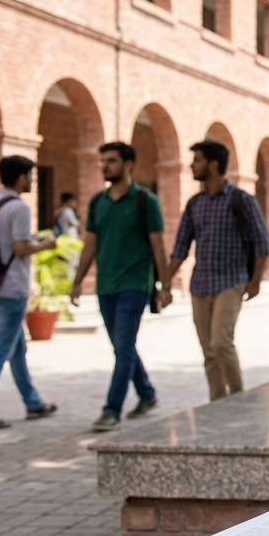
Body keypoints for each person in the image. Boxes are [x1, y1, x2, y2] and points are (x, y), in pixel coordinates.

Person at [70, 142, 171, 432]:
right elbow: (90, 244)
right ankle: (147, 394)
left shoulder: (145, 201)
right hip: (106, 285)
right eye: (103, 161)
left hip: (135, 284)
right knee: (121, 345)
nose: (105, 166)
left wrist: (165, 286)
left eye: (111, 161)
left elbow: (158, 245)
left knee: (123, 345)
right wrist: (78, 281)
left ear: (128, 164)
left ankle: (111, 408)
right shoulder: (97, 202)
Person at [165, 140, 269, 401]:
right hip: (200, 284)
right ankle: (217, 401)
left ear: (213, 165)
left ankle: (237, 398)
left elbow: (262, 243)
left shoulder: (241, 200)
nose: (192, 165)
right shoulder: (194, 204)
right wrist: (164, 283)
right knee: (208, 350)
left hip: (231, 281)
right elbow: (180, 247)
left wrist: (255, 280)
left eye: (197, 160)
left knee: (221, 343)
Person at [0, 156, 60, 430]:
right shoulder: (18, 207)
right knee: (1, 349)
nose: (32, 181)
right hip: (11, 288)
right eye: (30, 176)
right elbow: (20, 248)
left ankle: (33, 403)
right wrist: (46, 244)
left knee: (17, 348)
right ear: (20, 178)